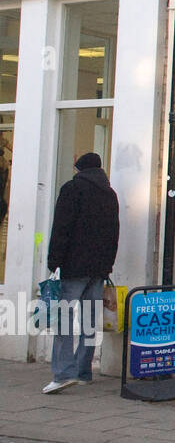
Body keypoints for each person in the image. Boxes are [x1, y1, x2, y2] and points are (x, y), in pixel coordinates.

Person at [43, 152, 119, 394]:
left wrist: (53, 261)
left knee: (63, 320)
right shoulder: (110, 194)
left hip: (73, 267)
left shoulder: (72, 189)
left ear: (79, 169)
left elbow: (62, 228)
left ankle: (63, 373)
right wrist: (107, 264)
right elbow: (113, 233)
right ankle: (83, 371)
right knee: (88, 322)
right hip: (98, 269)